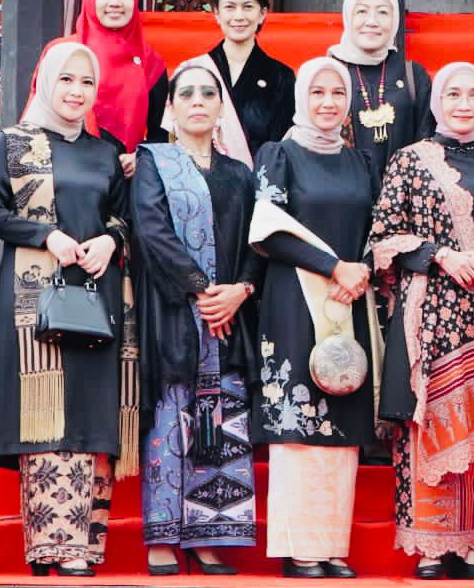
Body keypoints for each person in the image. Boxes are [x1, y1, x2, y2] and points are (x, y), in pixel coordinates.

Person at [0, 41, 135, 576]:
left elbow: (122, 215)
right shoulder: (14, 143)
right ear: (46, 81)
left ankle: (86, 547)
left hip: (96, 297)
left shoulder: (105, 150)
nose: (76, 92)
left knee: (91, 414)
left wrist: (111, 242)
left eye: (86, 83)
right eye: (66, 80)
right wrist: (48, 236)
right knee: (49, 416)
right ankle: (53, 547)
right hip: (37, 304)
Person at [369, 62, 474, 579]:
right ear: (438, 101)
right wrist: (440, 255)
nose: (464, 104)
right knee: (425, 424)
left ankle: (467, 546)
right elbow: (382, 238)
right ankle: (429, 546)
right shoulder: (409, 161)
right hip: (427, 313)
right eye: (453, 94)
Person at [250, 58, 381, 578]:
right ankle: (300, 547)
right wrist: (334, 267)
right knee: (299, 424)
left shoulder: (360, 161)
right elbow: (268, 230)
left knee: (342, 414)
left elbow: (378, 228)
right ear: (301, 96)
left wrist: (361, 270)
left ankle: (330, 544)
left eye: (337, 93)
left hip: (350, 298)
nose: (327, 102)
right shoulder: (278, 154)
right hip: (294, 301)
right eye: (317, 91)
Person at [133, 59, 262, 575]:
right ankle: (164, 534)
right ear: (170, 106)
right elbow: (151, 231)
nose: (198, 102)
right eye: (186, 94)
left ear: (220, 107)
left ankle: (209, 533)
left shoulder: (239, 173)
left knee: (221, 418)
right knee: (171, 416)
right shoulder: (153, 161)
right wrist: (203, 289)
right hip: (174, 312)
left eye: (208, 94)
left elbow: (259, 239)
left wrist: (240, 290)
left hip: (227, 317)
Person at [34, 0, 168, 175]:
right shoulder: (63, 53)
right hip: (64, 174)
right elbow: (37, 117)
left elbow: (160, 132)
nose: (115, 2)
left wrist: (141, 157)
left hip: (124, 181)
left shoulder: (151, 63)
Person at [328, 0, 432, 170]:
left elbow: (427, 144)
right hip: (345, 193)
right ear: (347, 17)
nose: (372, 21)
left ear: (395, 19)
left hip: (403, 194)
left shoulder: (413, 75)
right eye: (361, 11)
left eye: (383, 12)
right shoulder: (330, 73)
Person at [206, 0, 296, 159]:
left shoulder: (281, 77)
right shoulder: (195, 71)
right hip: (202, 184)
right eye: (230, 7)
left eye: (248, 7)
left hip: (260, 183)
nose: (239, 16)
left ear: (262, 13)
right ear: (216, 13)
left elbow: (283, 147)